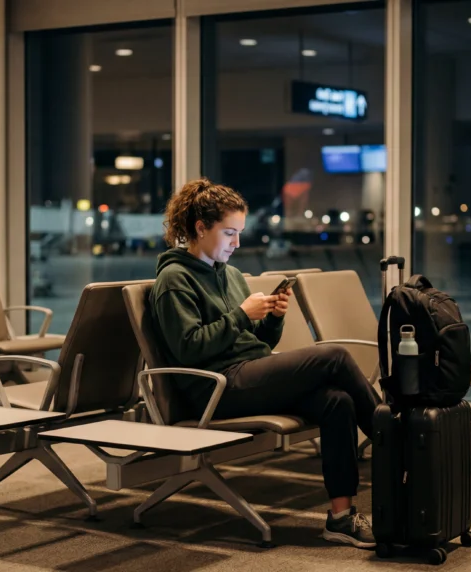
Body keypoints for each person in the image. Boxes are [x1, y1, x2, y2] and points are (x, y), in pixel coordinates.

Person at [150, 178, 381, 549]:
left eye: (239, 233)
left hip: (248, 376)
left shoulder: (230, 275)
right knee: (334, 356)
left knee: (337, 402)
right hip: (215, 388)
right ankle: (397, 446)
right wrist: (242, 314)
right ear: (200, 228)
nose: (236, 243)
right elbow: (189, 349)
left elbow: (258, 343)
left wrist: (273, 318)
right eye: (229, 233)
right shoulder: (174, 279)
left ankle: (340, 518)